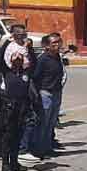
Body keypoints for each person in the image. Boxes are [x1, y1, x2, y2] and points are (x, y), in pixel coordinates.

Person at [30, 33, 66, 161]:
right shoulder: (42, 59)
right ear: (47, 46)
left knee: (51, 123)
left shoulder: (57, 57)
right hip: (45, 93)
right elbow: (35, 78)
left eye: (58, 42)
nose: (57, 45)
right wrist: (37, 95)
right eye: (54, 43)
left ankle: (47, 148)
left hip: (56, 92)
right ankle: (38, 149)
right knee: (43, 123)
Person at [0, 51, 32, 171]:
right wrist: (9, 40)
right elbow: (0, 57)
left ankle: (14, 161)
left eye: (20, 57)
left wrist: (28, 48)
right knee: (8, 136)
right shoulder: (7, 72)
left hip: (22, 107)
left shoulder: (26, 73)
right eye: (15, 56)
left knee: (18, 135)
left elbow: (33, 61)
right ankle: (5, 163)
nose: (18, 58)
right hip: (9, 107)